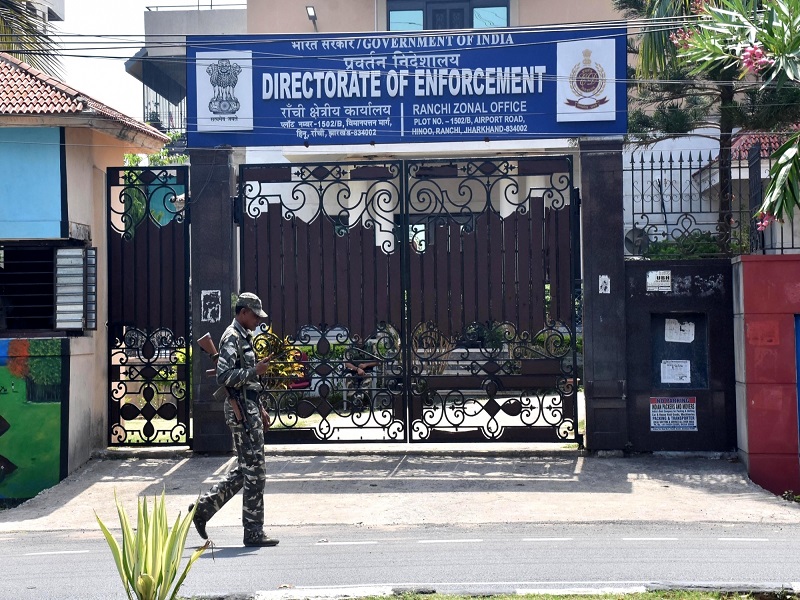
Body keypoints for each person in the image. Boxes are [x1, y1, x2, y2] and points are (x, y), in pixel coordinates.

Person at [190, 292, 279, 547]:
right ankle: (252, 532)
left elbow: (247, 382)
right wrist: (255, 370)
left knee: (246, 470)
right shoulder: (232, 337)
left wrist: (259, 406)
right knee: (256, 473)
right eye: (254, 315)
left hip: (249, 408)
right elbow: (223, 375)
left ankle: (203, 510)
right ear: (242, 312)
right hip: (240, 412)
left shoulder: (244, 336)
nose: (257, 321)